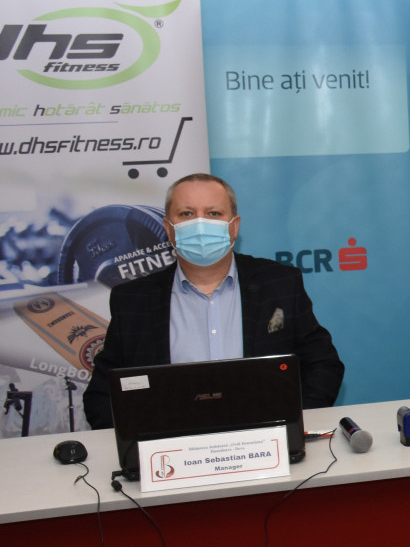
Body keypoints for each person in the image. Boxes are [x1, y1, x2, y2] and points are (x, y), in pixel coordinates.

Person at [82, 173, 344, 429]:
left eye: (213, 213)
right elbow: (103, 395)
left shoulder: (279, 283)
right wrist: (139, 441)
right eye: (187, 214)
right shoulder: (132, 300)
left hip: (265, 443)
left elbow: (323, 365)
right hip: (172, 448)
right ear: (168, 229)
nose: (200, 224)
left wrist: (291, 423)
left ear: (234, 225)